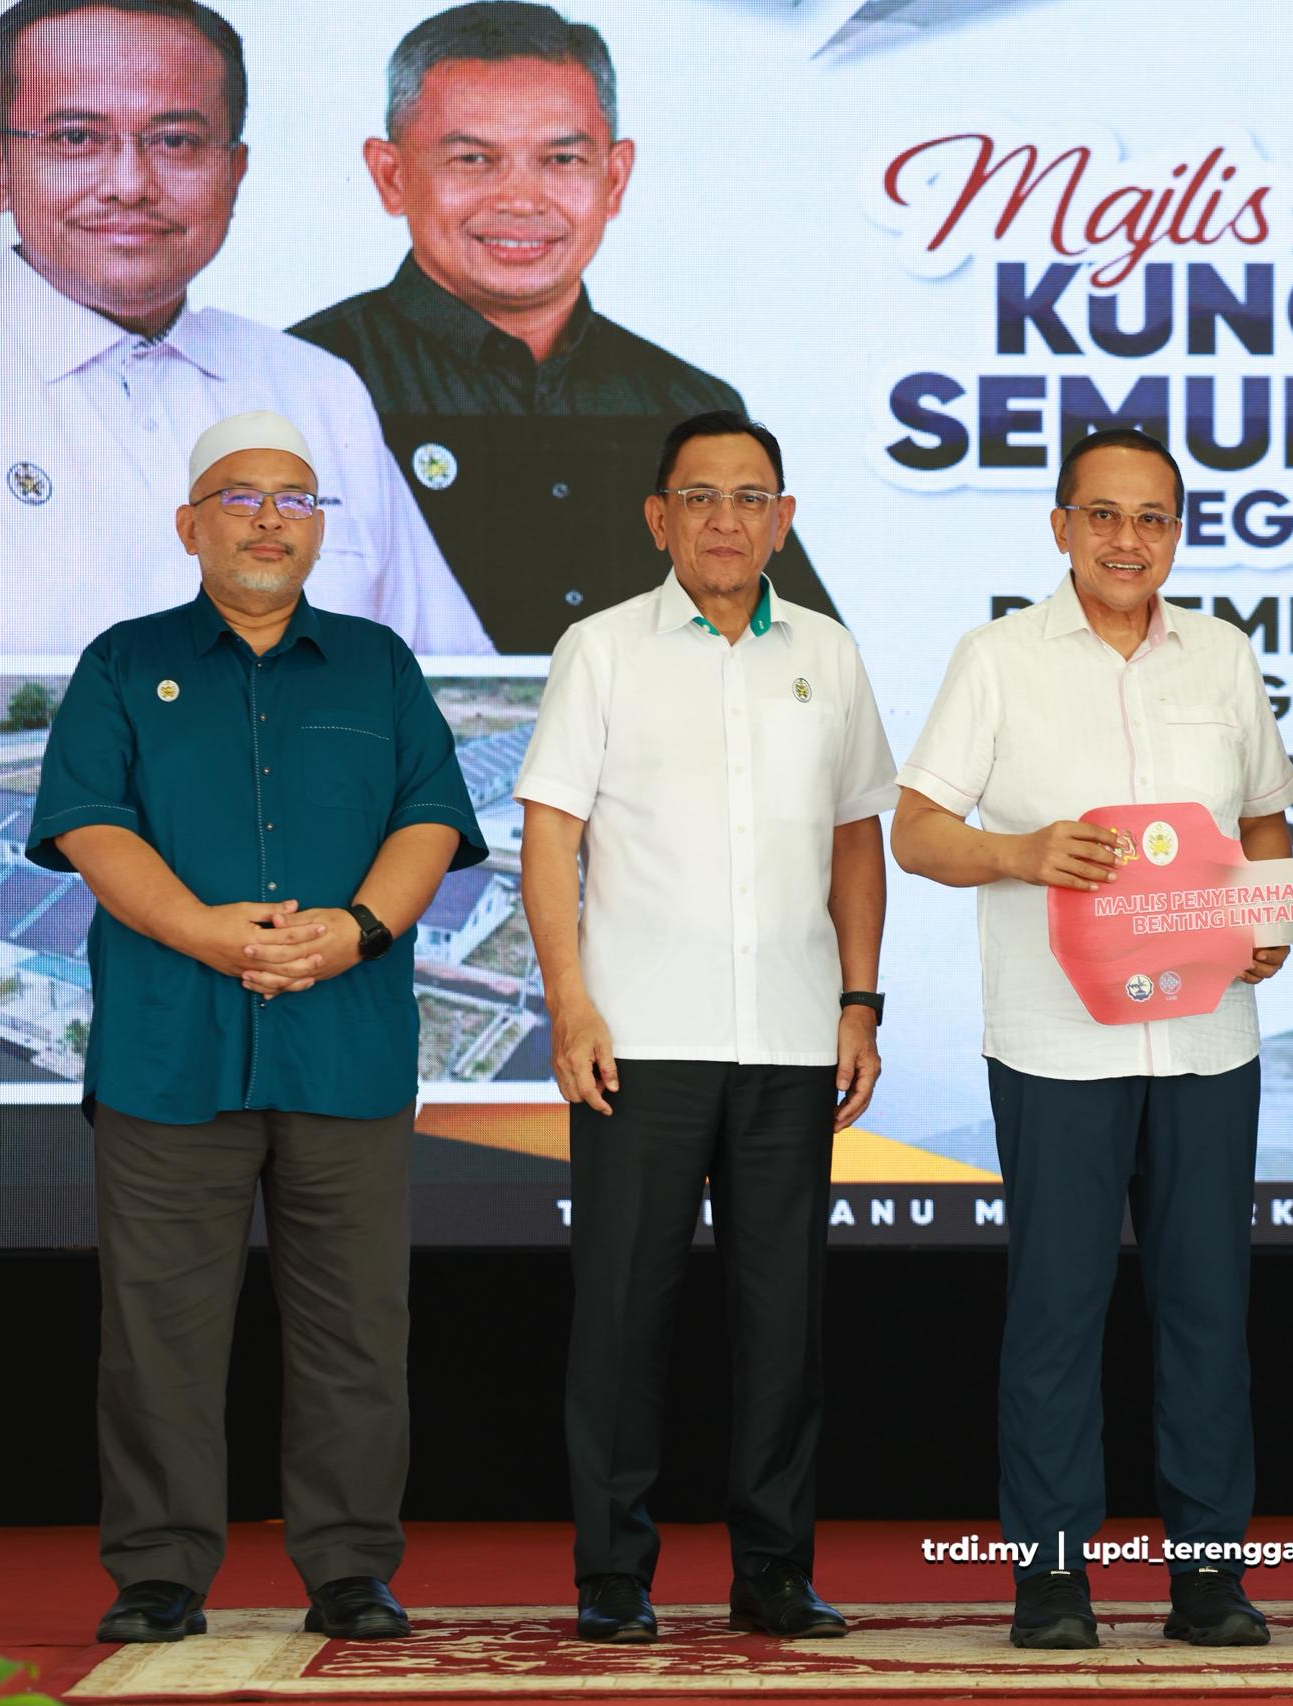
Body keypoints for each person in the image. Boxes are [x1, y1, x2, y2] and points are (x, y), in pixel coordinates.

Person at [27, 408, 485, 1643]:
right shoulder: (124, 663)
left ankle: (350, 1568)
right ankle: (159, 1571)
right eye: (242, 496)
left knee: (355, 1331)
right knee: (158, 1334)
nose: (271, 518)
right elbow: (89, 823)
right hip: (168, 1049)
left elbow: (430, 816)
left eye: (296, 498)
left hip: (347, 1046)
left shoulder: (378, 664)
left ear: (321, 528)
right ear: (191, 524)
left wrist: (358, 930)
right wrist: (204, 932)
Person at [891, 427, 1293, 1651]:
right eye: (1105, 515)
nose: (1129, 539)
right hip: (1056, 1040)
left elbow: (1264, 821)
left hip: (1208, 1037)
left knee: (1207, 1311)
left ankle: (1210, 1576)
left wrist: (1270, 919)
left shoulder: (1222, 654)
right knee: (1056, 1312)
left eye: (1153, 517)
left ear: (1177, 531)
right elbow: (917, 829)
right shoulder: (998, 657)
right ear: (1060, 525)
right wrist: (1019, 850)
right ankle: (1052, 1578)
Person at [514, 410, 893, 1643]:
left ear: (783, 519)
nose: (726, 519)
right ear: (657, 517)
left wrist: (859, 999)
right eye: (701, 496)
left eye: (750, 497)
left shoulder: (828, 651)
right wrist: (570, 1000)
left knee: (783, 1322)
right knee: (623, 1315)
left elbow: (856, 837)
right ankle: (613, 1571)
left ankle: (774, 1568)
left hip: (789, 1036)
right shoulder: (601, 648)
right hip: (639, 1036)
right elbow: (551, 835)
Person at [292, 2, 834, 653]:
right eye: (473, 159)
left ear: (615, 177)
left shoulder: (688, 405)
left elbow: (801, 667)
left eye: (563, 160)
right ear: (392, 175)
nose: (521, 201)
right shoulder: (305, 382)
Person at [0, 0, 488, 655]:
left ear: (234, 172)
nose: (130, 184)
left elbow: (445, 682)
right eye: (75, 138)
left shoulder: (317, 390)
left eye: (176, 142)